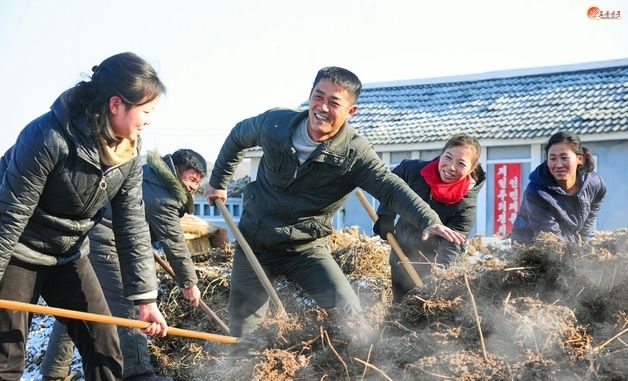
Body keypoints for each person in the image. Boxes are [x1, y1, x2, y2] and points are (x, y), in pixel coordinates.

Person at [205, 66, 466, 337]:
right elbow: (238, 136)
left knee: (350, 315)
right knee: (244, 332)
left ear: (350, 112)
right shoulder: (275, 124)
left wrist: (428, 219)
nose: (322, 107)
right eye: (318, 97)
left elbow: (389, 187)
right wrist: (219, 182)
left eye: (334, 102)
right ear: (310, 96)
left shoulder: (354, 153)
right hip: (254, 242)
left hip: (304, 248)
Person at [0, 52, 168, 381]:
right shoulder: (48, 137)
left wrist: (146, 298)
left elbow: (132, 225)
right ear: (116, 104)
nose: (149, 120)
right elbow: (10, 215)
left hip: (70, 254)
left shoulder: (130, 152)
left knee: (105, 347)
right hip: (21, 251)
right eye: (146, 111)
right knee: (7, 355)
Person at [40, 149, 208, 381]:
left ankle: (55, 372)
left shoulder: (148, 176)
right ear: (174, 169)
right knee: (132, 303)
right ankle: (139, 373)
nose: (193, 187)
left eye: (198, 183)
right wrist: (189, 283)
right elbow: (175, 243)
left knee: (78, 305)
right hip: (107, 245)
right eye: (190, 179)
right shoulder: (162, 195)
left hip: (88, 240)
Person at [373, 134, 486, 302]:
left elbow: (452, 244)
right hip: (401, 250)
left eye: (461, 163)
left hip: (434, 260)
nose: (451, 167)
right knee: (400, 307)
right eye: (448, 157)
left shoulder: (466, 205)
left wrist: (439, 276)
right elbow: (391, 187)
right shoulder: (412, 171)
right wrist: (386, 216)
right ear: (442, 154)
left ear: (471, 169)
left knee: (426, 313)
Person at [511, 131, 606, 244]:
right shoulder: (537, 192)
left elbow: (591, 214)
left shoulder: (594, 183)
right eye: (552, 158)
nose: (558, 165)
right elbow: (551, 238)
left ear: (580, 159)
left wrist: (584, 240)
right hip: (532, 244)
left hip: (567, 239)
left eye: (564, 157)